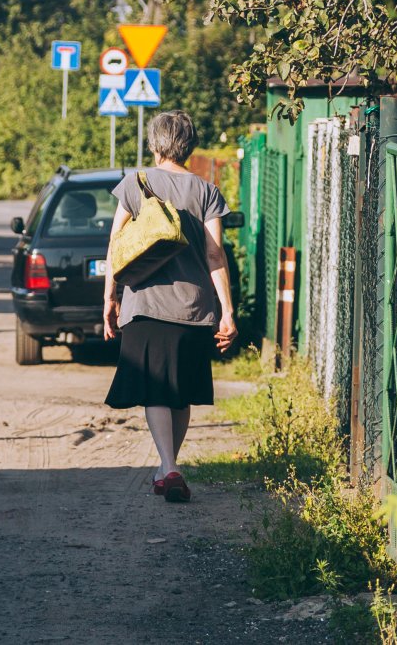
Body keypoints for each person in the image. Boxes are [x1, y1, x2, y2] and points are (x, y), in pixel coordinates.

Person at [103, 109, 238, 503]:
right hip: (194, 307)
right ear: (189, 145)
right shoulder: (207, 191)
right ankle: (167, 467)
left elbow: (117, 248)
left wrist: (109, 298)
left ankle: (169, 465)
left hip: (145, 303)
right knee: (180, 392)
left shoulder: (136, 183)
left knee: (156, 391)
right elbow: (216, 256)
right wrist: (227, 311)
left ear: (154, 143)